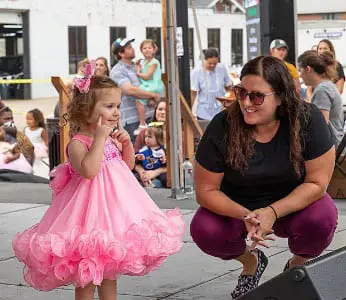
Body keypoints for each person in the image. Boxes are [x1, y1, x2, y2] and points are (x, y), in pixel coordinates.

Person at [12, 73, 185, 299]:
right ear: (87, 110)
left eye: (118, 106)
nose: (116, 112)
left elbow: (126, 166)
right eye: (109, 106)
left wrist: (126, 144)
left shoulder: (110, 138)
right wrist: (102, 139)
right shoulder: (78, 143)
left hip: (113, 213)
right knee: (86, 272)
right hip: (87, 216)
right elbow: (90, 170)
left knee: (109, 271)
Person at [190, 56, 337, 299]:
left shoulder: (307, 119)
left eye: (257, 96)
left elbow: (317, 183)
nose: (246, 102)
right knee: (205, 229)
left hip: (293, 205)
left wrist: (272, 212)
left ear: (280, 96)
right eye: (241, 92)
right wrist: (246, 215)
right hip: (238, 208)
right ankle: (251, 263)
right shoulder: (223, 125)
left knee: (322, 218)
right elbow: (205, 191)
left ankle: (297, 266)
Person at [110, 37, 161, 141]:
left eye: (131, 46)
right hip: (133, 121)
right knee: (137, 155)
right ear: (121, 53)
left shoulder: (139, 66)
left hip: (150, 115)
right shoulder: (117, 71)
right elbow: (130, 90)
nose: (133, 49)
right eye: (128, 48)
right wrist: (153, 95)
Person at [298, 50, 344, 147]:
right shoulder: (328, 86)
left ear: (308, 69)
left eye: (300, 70)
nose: (300, 75)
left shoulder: (322, 90)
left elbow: (320, 126)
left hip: (330, 149)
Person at [191, 48, 233, 121]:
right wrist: (189, 110)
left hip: (221, 110)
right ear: (205, 60)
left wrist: (229, 103)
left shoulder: (222, 68)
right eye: (210, 63)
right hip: (204, 112)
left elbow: (228, 87)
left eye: (215, 63)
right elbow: (193, 93)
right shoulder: (197, 72)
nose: (212, 65)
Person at [134, 99, 167, 187]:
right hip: (144, 172)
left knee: (159, 183)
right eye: (160, 109)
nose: (163, 112)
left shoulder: (178, 135)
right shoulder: (143, 133)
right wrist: (143, 174)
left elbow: (180, 164)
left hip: (164, 174)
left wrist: (155, 172)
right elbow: (134, 161)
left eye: (166, 110)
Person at [135, 39, 165, 135]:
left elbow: (148, 76)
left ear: (154, 50)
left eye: (149, 48)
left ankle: (142, 123)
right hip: (147, 85)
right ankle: (150, 122)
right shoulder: (143, 62)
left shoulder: (154, 62)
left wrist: (138, 73)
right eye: (144, 48)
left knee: (138, 98)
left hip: (153, 85)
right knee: (151, 103)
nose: (147, 50)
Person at [0, 101, 35, 166]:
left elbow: (30, 155)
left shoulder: (20, 135)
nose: (11, 121)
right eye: (7, 119)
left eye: (12, 118)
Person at [135, 123, 166, 187]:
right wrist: (138, 157)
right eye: (146, 136)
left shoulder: (163, 151)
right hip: (144, 172)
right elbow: (136, 158)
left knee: (160, 180)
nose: (146, 139)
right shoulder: (144, 149)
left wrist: (165, 160)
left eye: (149, 137)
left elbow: (167, 164)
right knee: (134, 178)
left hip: (157, 175)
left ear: (158, 138)